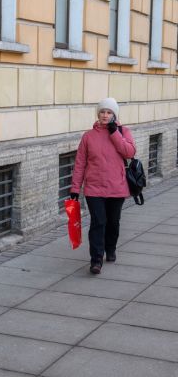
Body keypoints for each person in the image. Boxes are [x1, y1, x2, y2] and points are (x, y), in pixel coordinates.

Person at [70, 97, 136, 275]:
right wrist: (75, 188)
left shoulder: (123, 131)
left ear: (114, 115)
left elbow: (130, 152)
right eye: (102, 112)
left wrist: (115, 133)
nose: (105, 115)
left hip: (117, 187)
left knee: (113, 223)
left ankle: (111, 248)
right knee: (98, 222)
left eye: (109, 112)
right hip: (94, 188)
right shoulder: (88, 136)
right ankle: (96, 259)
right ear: (97, 114)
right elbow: (80, 163)